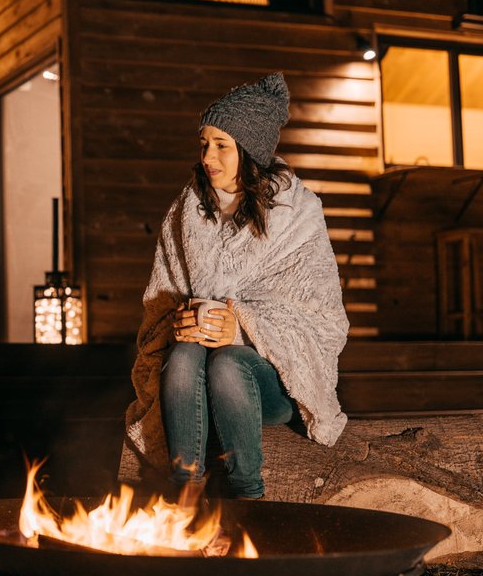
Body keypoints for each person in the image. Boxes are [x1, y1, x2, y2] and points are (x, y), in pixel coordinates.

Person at [119, 72, 348, 499]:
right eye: (204, 144)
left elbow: (322, 320)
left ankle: (248, 495)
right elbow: (159, 300)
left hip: (272, 381)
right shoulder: (187, 210)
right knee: (185, 353)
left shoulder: (297, 214)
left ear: (251, 150)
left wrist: (240, 329)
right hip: (194, 379)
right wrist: (180, 323)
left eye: (222, 146)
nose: (209, 156)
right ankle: (183, 493)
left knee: (228, 362)